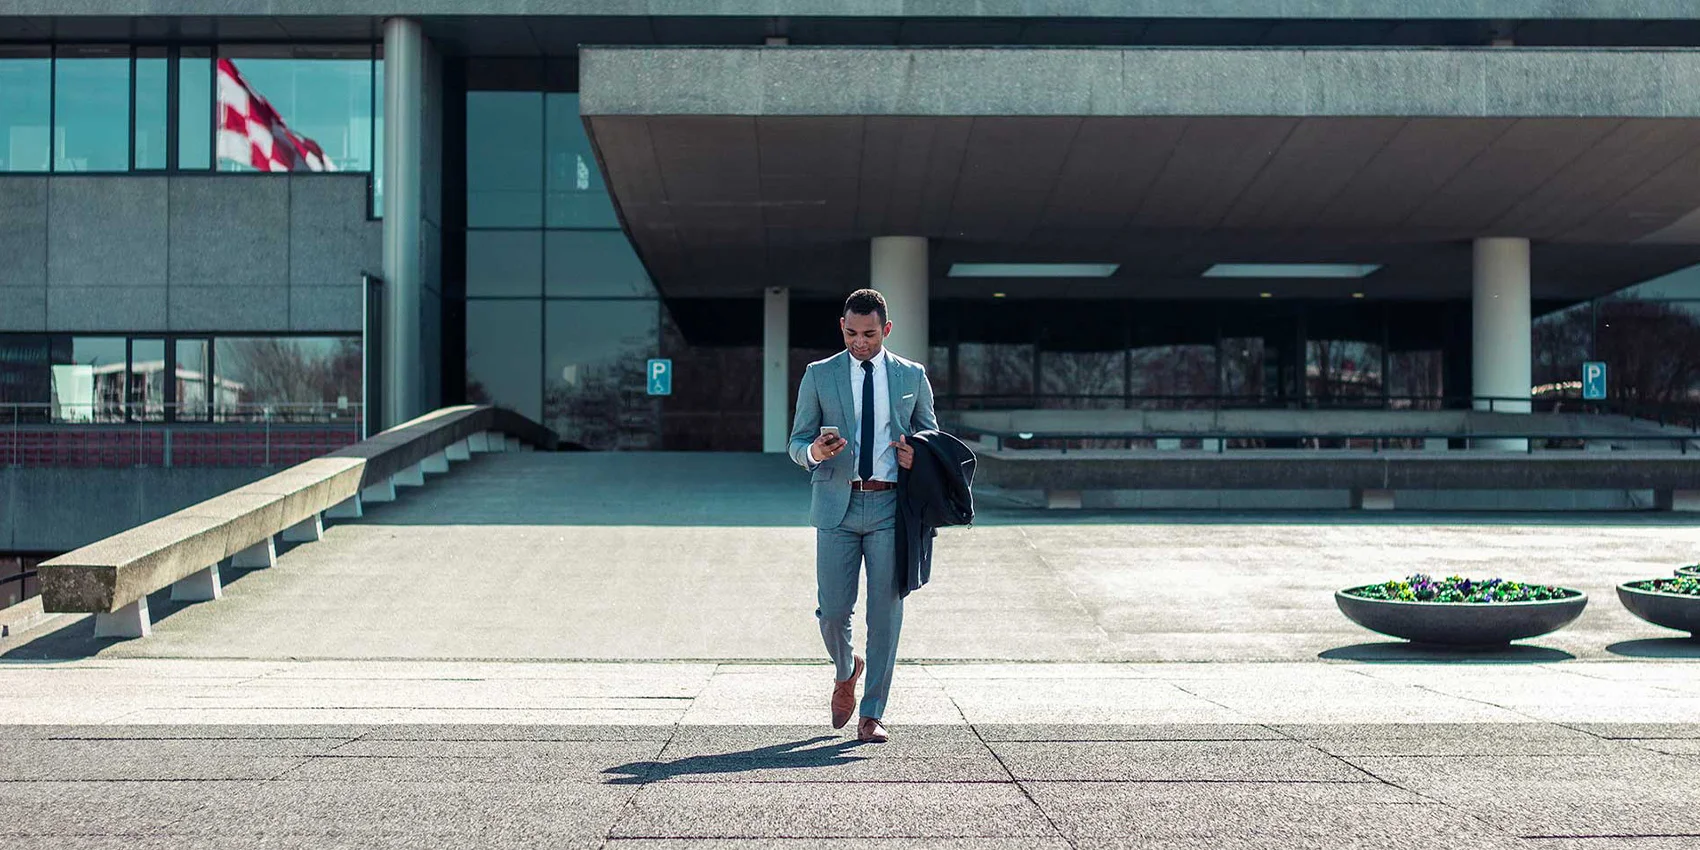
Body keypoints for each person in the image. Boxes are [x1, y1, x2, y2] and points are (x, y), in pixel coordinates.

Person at [788, 288, 938, 743]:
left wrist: (918, 456)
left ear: (886, 329)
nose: (860, 342)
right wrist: (814, 452)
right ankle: (846, 667)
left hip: (891, 507)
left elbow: (931, 437)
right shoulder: (819, 375)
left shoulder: (912, 375)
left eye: (869, 334)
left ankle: (872, 714)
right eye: (851, 333)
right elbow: (796, 442)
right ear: (842, 327)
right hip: (837, 505)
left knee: (885, 614)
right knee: (833, 613)